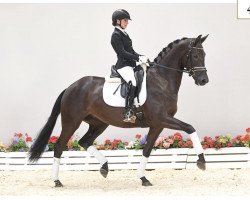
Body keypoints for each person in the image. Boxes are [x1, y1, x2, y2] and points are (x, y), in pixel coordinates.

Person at [111, 9, 149, 123]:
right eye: (125, 20)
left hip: (130, 64)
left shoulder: (124, 34)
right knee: (133, 82)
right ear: (118, 21)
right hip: (123, 66)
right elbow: (122, 52)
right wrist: (138, 58)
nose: (127, 22)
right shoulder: (115, 35)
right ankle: (128, 112)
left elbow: (131, 51)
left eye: (127, 20)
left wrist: (143, 57)